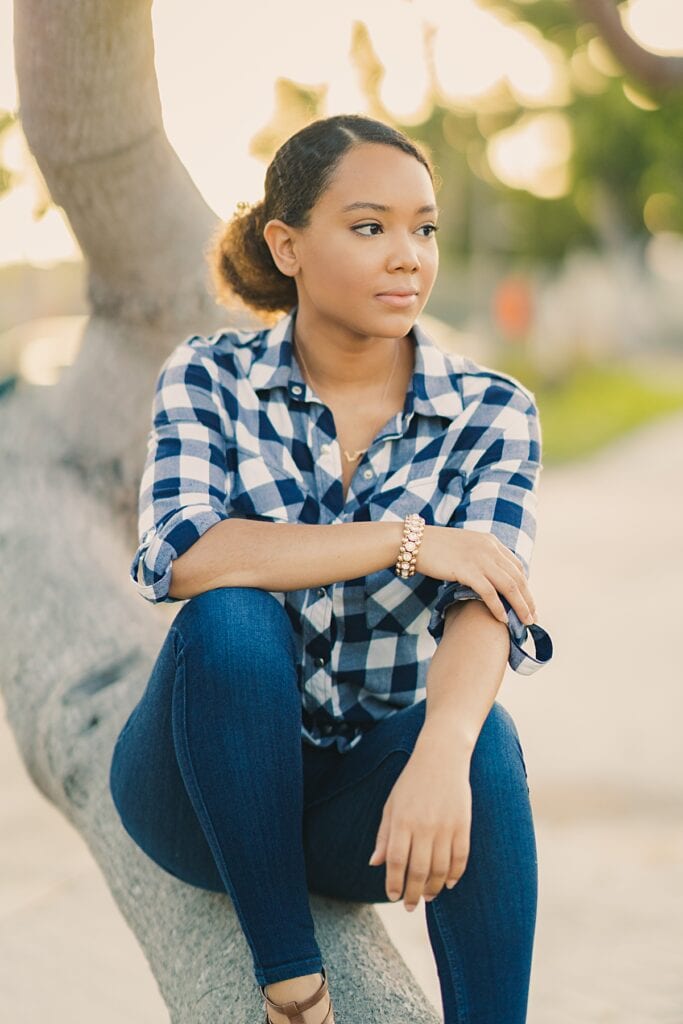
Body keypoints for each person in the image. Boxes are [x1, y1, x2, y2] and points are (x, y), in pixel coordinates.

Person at [109, 113, 554, 1024]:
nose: (408, 256)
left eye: (423, 228)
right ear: (287, 245)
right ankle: (291, 983)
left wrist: (441, 751)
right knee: (231, 617)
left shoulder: (491, 410)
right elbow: (184, 552)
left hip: (356, 796)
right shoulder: (209, 377)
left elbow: (489, 605)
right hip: (200, 790)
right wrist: (409, 539)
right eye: (369, 227)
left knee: (485, 745)